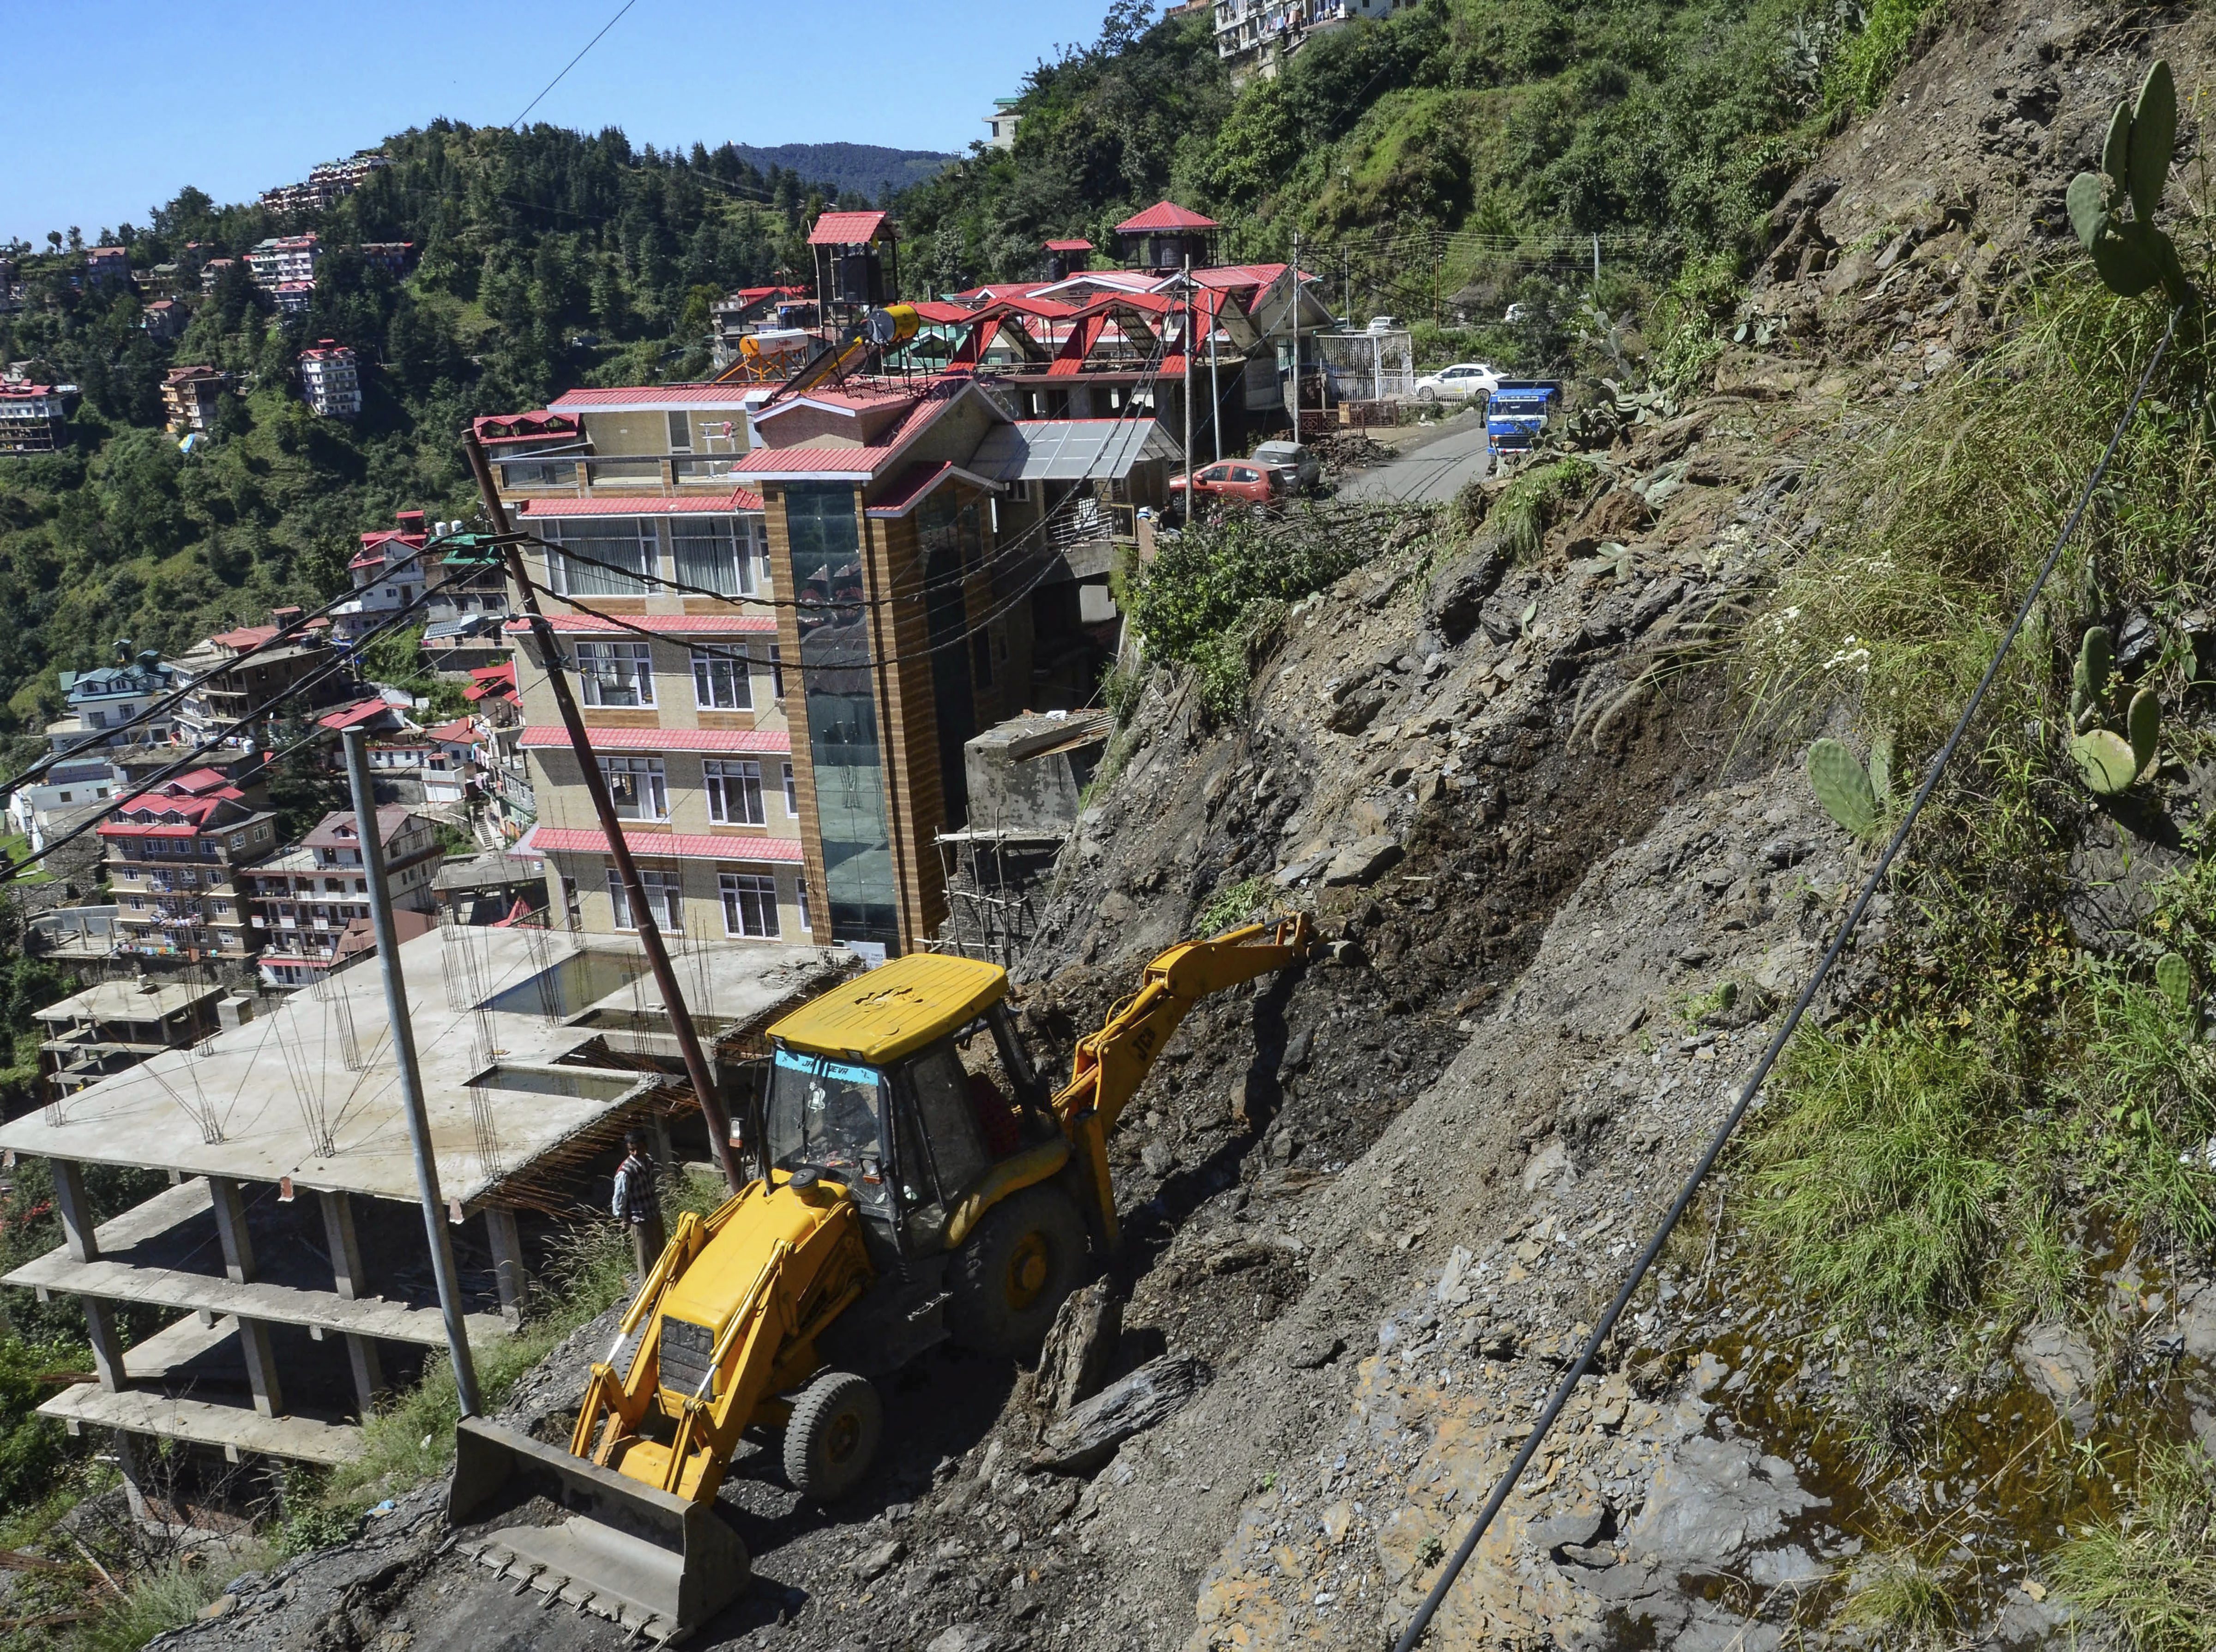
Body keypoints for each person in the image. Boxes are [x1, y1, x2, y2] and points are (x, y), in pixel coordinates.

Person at [612, 1131, 665, 1280]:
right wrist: (623, 1218)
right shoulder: (626, 1172)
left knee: (660, 1254)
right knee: (646, 1262)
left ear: (646, 1147)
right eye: (631, 1150)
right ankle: (651, 1298)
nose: (636, 1153)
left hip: (654, 1214)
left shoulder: (648, 1162)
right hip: (640, 1221)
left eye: (639, 1148)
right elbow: (619, 1200)